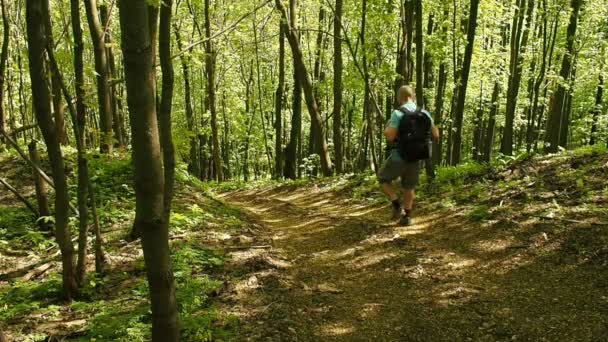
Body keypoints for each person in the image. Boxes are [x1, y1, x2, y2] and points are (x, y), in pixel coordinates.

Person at [378, 85, 439, 226]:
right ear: (413, 96)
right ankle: (407, 217)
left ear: (401, 98)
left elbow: (390, 136)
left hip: (399, 155)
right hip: (417, 157)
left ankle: (396, 204)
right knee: (409, 187)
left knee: (383, 178)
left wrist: (387, 129)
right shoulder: (425, 113)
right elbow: (436, 135)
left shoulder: (398, 113)